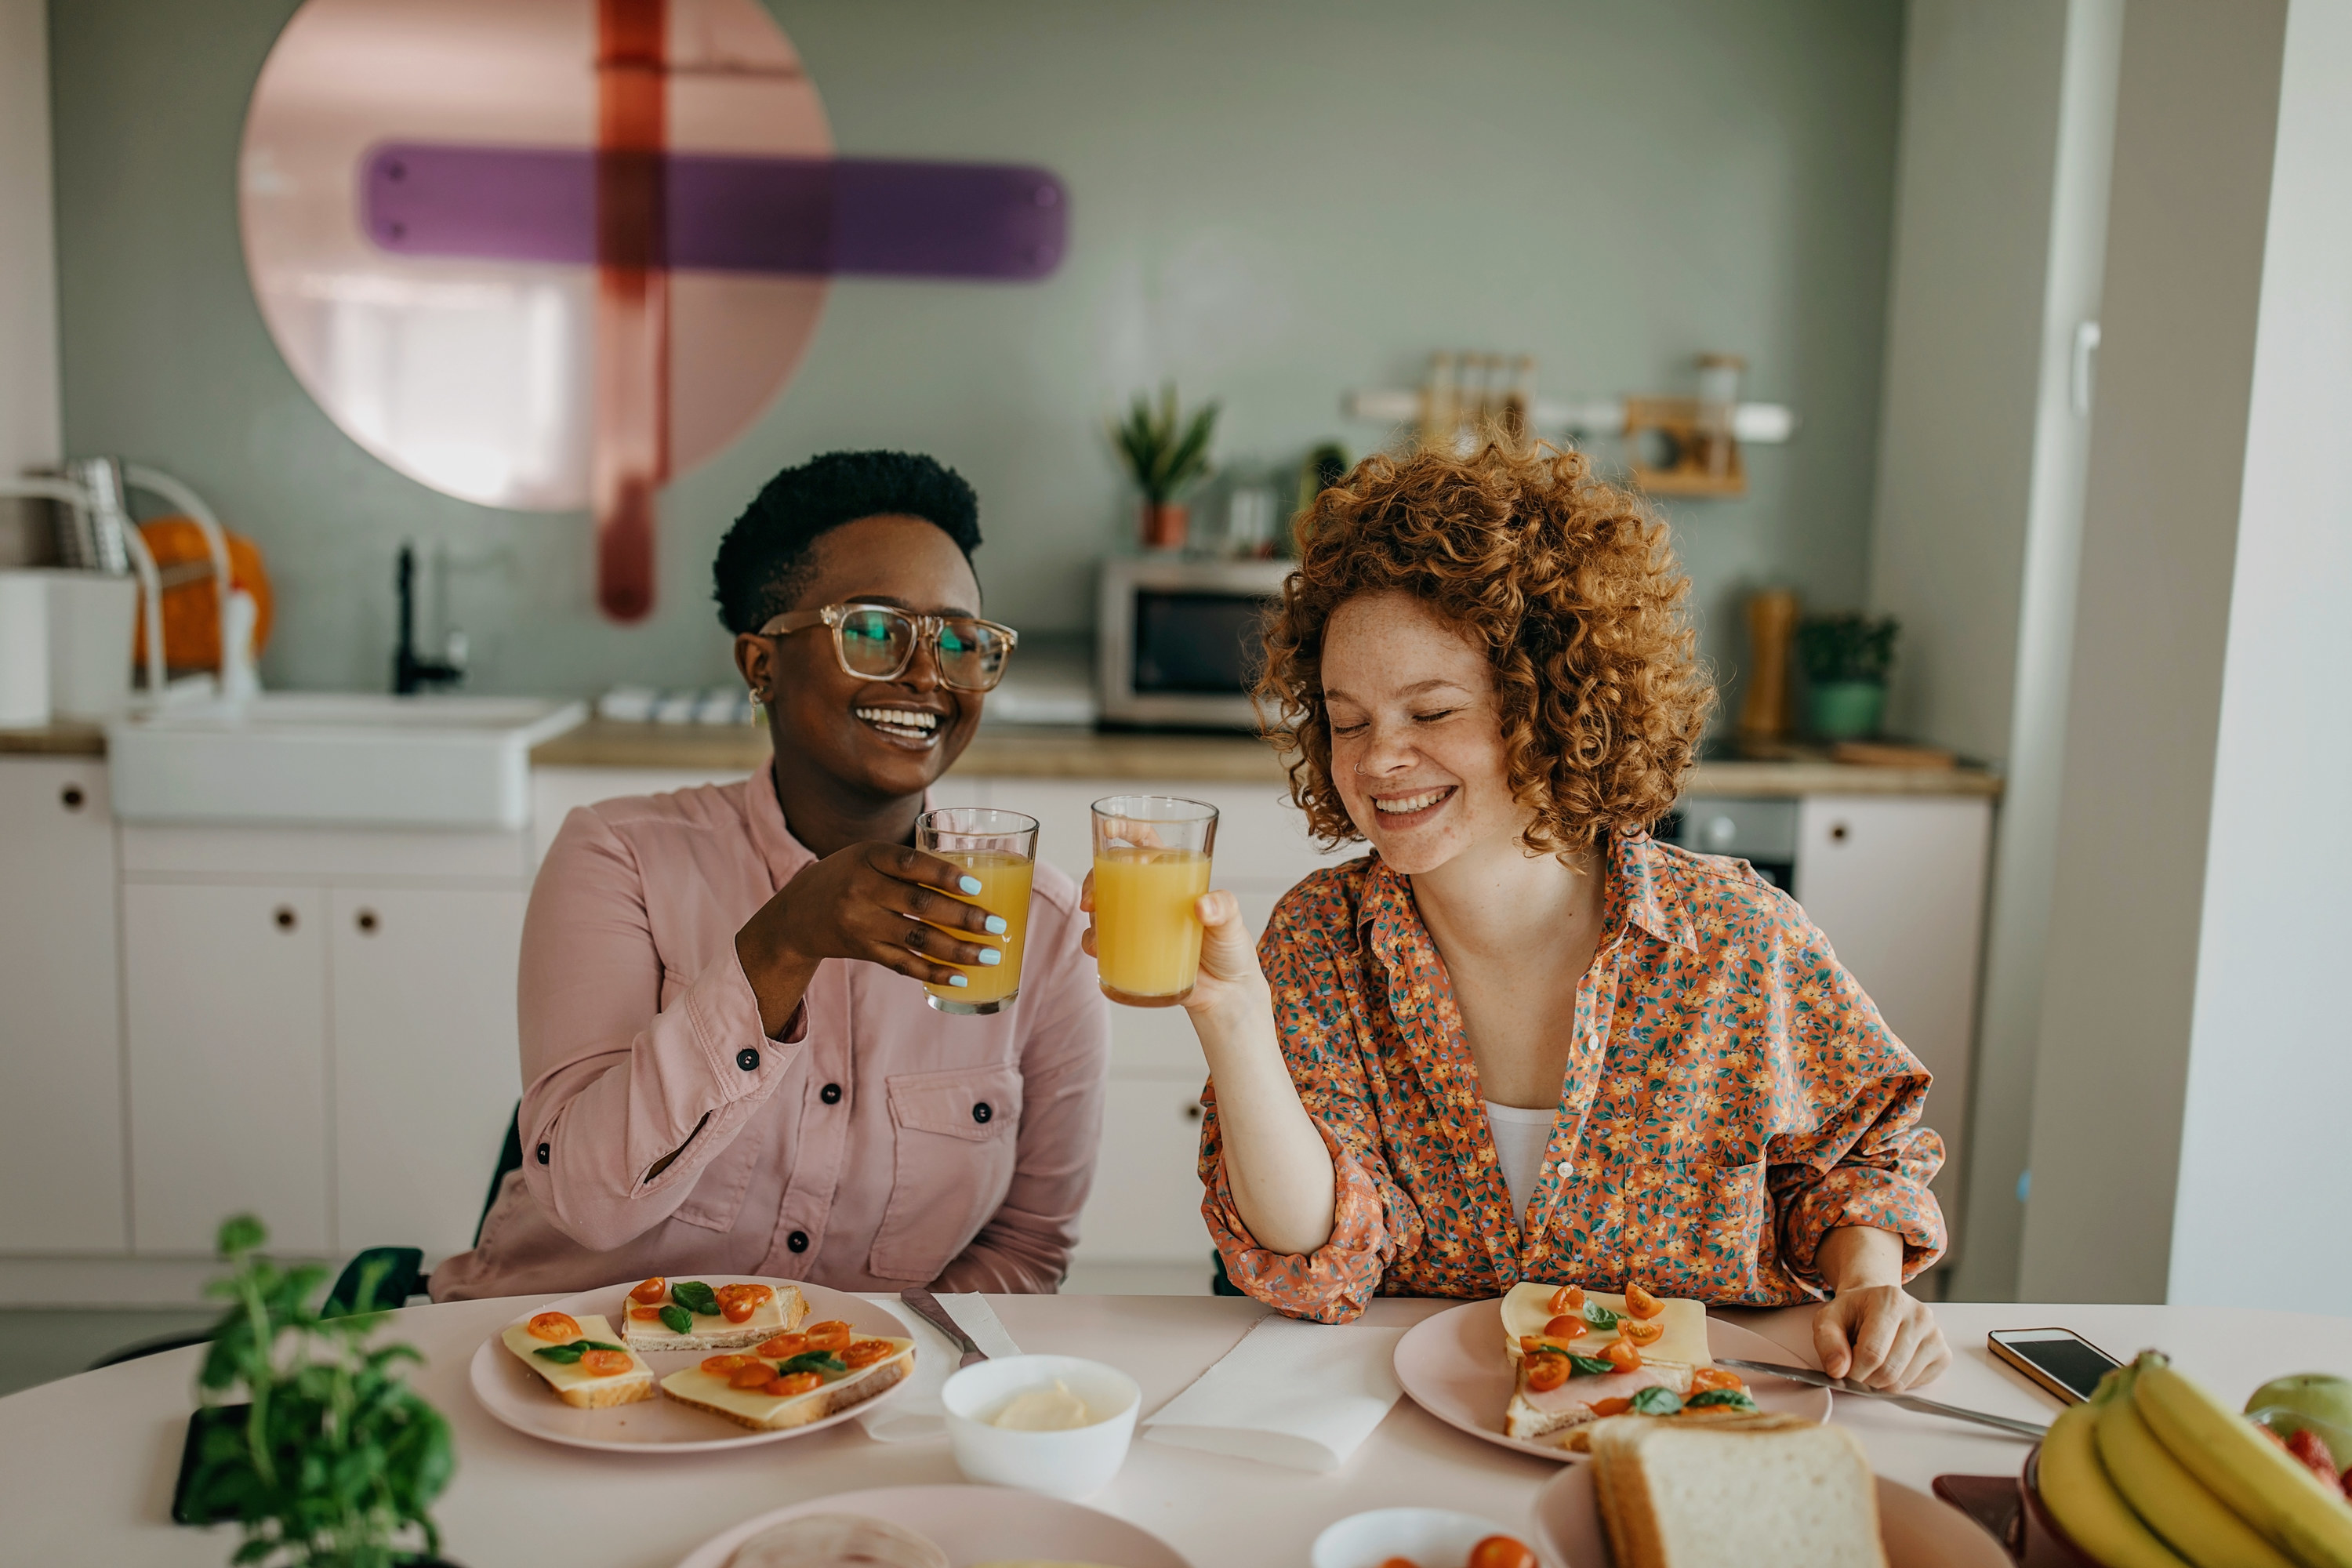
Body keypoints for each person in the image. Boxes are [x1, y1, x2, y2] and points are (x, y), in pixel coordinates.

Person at [1133, 439, 1951, 1391]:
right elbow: (1322, 1254)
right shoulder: (1320, 942)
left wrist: (1868, 1281)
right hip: (1416, 1429)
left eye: (1430, 713)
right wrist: (1229, 1016)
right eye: (1346, 718)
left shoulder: (1734, 934)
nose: (1377, 758)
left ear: (1550, 707)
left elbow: (1856, 1155)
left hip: (1697, 1427)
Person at [434, 450, 1108, 1300]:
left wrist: (865, 1369)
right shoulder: (620, 858)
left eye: (961, 641)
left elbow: (1028, 1246)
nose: (930, 675)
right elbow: (588, 1203)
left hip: (851, 1403)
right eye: (874, 629)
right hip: (569, 1371)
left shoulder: (1041, 930)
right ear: (761, 665)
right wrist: (784, 942)